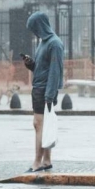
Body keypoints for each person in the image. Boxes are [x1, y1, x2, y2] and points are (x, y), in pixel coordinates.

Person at [22, 12, 64, 173]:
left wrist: (49, 95)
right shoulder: (44, 43)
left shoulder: (55, 44)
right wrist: (31, 64)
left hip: (45, 90)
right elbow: (42, 68)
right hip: (40, 88)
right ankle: (46, 160)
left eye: (35, 28)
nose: (34, 32)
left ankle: (37, 162)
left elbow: (55, 71)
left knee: (38, 125)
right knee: (43, 126)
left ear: (41, 26)